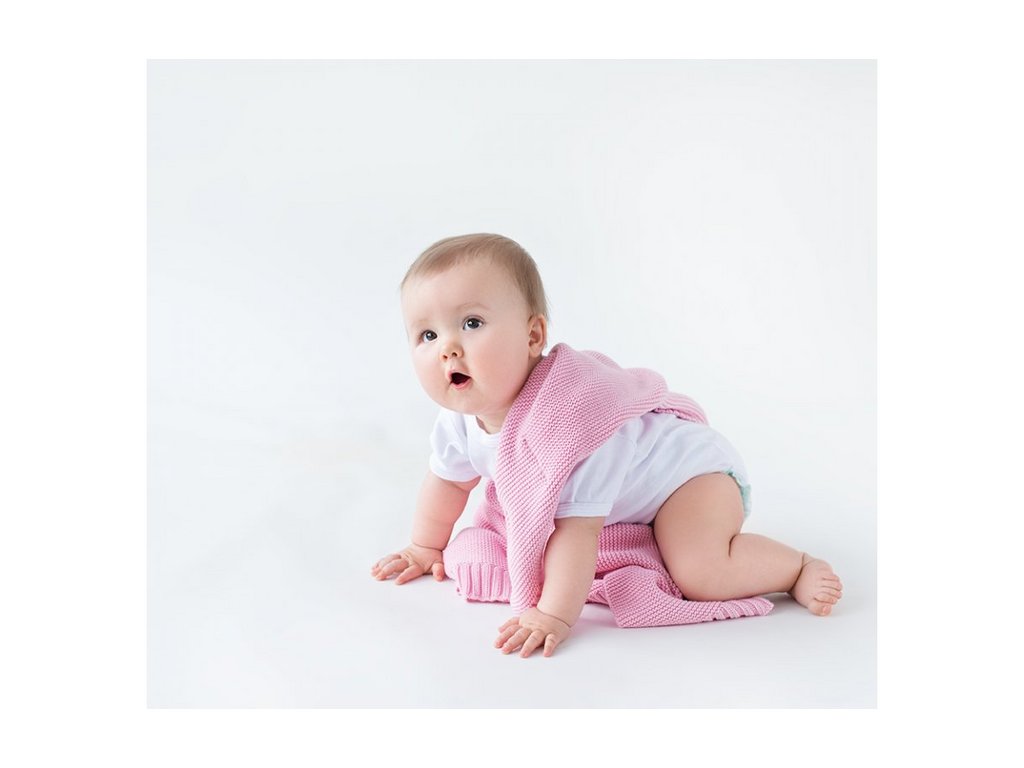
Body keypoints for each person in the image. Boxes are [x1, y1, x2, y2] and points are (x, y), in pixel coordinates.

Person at [371, 233, 843, 658]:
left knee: (699, 570)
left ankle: (795, 568)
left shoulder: (575, 429)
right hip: (636, 487)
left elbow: (577, 534)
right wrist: (424, 546)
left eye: (472, 323)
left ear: (533, 336)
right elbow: (448, 483)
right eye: (428, 334)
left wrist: (553, 613)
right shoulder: (458, 420)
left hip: (690, 479)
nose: (448, 347)